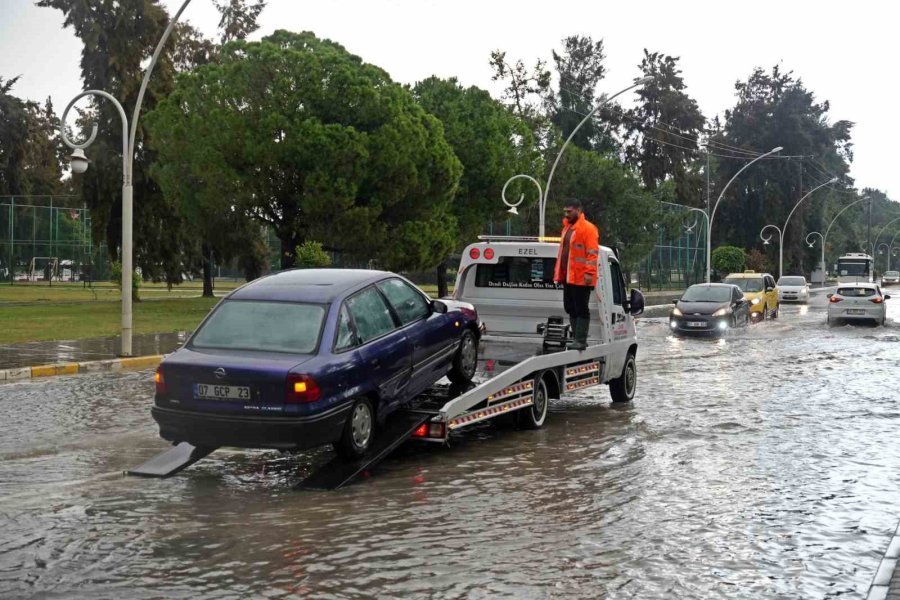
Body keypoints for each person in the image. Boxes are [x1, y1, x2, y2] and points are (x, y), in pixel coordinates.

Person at [553, 199, 600, 350]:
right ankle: (576, 338)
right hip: (568, 276)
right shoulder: (567, 228)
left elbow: (592, 254)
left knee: (581, 308)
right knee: (569, 307)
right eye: (565, 211)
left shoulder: (588, 229)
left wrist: (589, 273)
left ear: (578, 211)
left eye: (569, 211)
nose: (566, 214)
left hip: (581, 277)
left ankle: (580, 340)